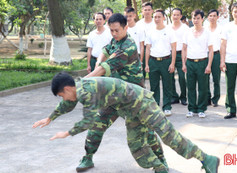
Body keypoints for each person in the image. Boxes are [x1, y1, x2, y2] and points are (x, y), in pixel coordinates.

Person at [33, 72, 220, 173]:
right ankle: (160, 168)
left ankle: (207, 159)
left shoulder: (85, 91)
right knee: (136, 146)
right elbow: (67, 104)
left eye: (61, 95)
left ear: (67, 88)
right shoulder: (79, 88)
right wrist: (50, 118)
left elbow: (88, 120)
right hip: (131, 110)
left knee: (169, 136)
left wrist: (67, 133)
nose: (62, 99)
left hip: (143, 104)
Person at [60, 13, 168, 172]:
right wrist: (99, 60)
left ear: (126, 27)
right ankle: (88, 157)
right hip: (114, 97)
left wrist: (82, 82)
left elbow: (104, 69)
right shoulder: (115, 40)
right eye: (111, 30)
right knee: (97, 124)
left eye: (117, 30)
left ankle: (161, 160)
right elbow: (105, 49)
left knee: (147, 132)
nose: (114, 33)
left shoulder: (128, 46)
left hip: (133, 99)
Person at [182, 9, 213, 118]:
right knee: (190, 86)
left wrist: (209, 65)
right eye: (194, 18)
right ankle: (191, 109)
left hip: (202, 62)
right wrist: (183, 63)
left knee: (202, 87)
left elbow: (211, 50)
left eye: (198, 18)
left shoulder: (207, 32)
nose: (195, 20)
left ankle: (201, 109)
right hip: (190, 62)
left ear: (202, 19)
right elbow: (184, 48)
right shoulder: (188, 32)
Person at [145, 9, 176, 116]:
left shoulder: (170, 31)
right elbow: (148, 48)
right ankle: (155, 106)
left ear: (164, 18)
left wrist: (172, 63)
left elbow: (173, 48)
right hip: (153, 61)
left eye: (159, 17)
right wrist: (147, 64)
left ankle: (167, 107)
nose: (157, 19)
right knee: (154, 85)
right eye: (155, 17)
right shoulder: (150, 31)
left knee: (167, 85)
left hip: (166, 60)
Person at [170, 8, 189, 106]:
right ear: (171, 16)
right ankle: (174, 96)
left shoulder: (185, 28)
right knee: (170, 77)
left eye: (178, 15)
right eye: (174, 15)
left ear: (181, 16)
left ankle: (183, 97)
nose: (176, 17)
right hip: (169, 54)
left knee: (182, 77)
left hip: (181, 54)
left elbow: (187, 43)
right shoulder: (168, 27)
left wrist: (185, 57)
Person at [136, 1, 156, 80]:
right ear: (142, 11)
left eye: (149, 10)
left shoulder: (156, 22)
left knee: (154, 74)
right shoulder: (138, 24)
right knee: (141, 74)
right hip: (142, 49)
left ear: (152, 11)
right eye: (145, 10)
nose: (147, 12)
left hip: (154, 49)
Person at [207, 9, 222, 107]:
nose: (212, 18)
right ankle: (207, 98)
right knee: (205, 79)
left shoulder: (221, 29)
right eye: (210, 16)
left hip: (217, 55)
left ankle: (215, 99)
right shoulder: (204, 28)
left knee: (216, 79)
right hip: (205, 55)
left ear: (218, 17)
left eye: (214, 16)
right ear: (208, 17)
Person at [124, 7, 145, 75]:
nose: (128, 18)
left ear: (134, 16)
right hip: (124, 56)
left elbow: (142, 46)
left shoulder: (140, 29)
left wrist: (141, 61)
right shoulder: (122, 29)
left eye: (130, 16)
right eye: (126, 16)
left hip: (136, 56)